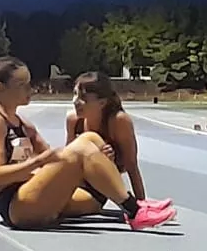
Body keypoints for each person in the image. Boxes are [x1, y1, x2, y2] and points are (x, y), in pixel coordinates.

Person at [0, 57, 175, 231]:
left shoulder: (21, 123)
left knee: (91, 140)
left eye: (29, 82)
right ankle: (135, 211)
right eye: (22, 85)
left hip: (35, 192)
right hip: (17, 207)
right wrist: (39, 162)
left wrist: (97, 159)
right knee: (82, 147)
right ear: (0, 88)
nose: (30, 89)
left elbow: (57, 158)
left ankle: (137, 203)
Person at [65, 71, 171, 209]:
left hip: (96, 190)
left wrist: (141, 203)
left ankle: (133, 208)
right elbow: (67, 161)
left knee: (60, 206)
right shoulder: (73, 120)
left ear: (102, 102)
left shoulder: (118, 121)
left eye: (83, 97)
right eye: (74, 94)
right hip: (74, 183)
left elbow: (132, 166)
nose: (75, 101)